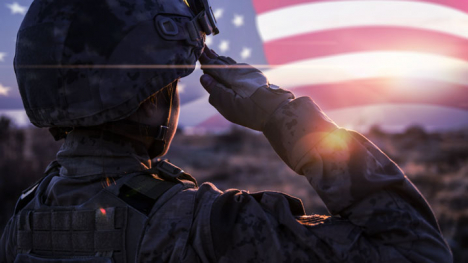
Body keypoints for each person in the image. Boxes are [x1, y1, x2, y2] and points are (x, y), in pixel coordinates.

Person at [0, 0, 452, 262]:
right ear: (149, 94)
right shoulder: (204, 228)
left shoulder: (22, 220)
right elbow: (417, 249)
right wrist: (278, 110)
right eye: (168, 82)